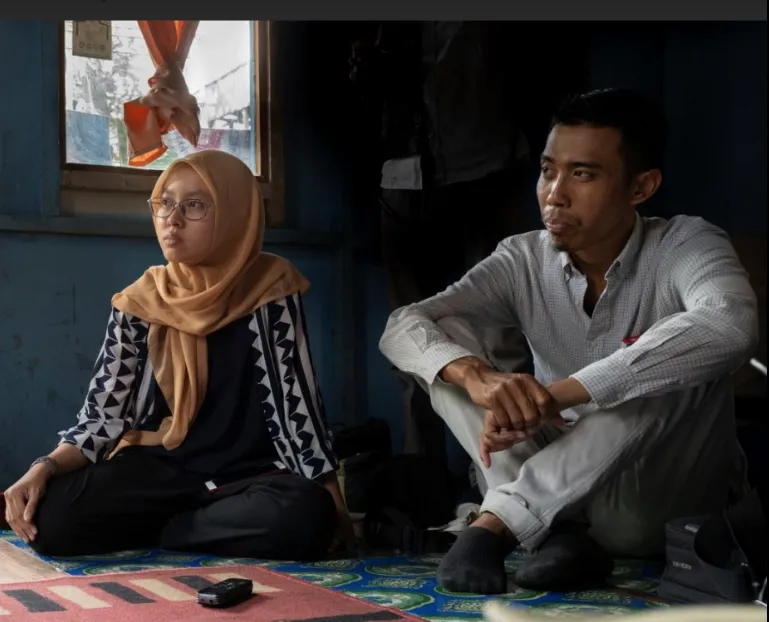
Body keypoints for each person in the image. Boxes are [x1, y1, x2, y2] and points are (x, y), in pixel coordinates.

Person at [379, 88, 759, 594]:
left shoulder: (687, 243)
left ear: (641, 187)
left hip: (654, 505)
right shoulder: (522, 258)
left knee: (672, 359)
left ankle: (497, 524)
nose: (554, 194)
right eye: (547, 169)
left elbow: (730, 325)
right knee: (447, 365)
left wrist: (558, 395)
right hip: (562, 506)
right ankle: (556, 537)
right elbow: (403, 324)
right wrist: (480, 378)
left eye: (583, 174)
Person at [2, 150, 353, 560]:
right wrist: (44, 466)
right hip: (159, 471)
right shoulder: (138, 301)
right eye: (165, 202)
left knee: (304, 512)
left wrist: (334, 506)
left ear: (234, 212)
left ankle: (174, 529)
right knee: (50, 520)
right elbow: (103, 417)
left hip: (246, 477)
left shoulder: (270, 289)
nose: (173, 218)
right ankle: (195, 525)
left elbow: (297, 409)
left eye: (195, 205)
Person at [349, 22, 542, 465]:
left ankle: (522, 481)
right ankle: (424, 481)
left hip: (492, 165)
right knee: (411, 341)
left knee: (505, 338)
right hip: (401, 176)